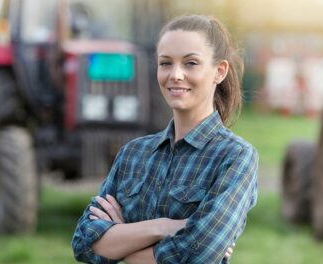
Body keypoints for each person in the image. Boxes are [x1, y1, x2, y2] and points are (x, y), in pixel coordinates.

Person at [72, 14, 258, 264]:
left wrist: (121, 242)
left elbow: (196, 254)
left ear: (219, 71)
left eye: (191, 63)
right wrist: (161, 227)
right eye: (165, 63)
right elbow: (84, 244)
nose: (175, 75)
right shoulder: (133, 154)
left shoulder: (235, 157)